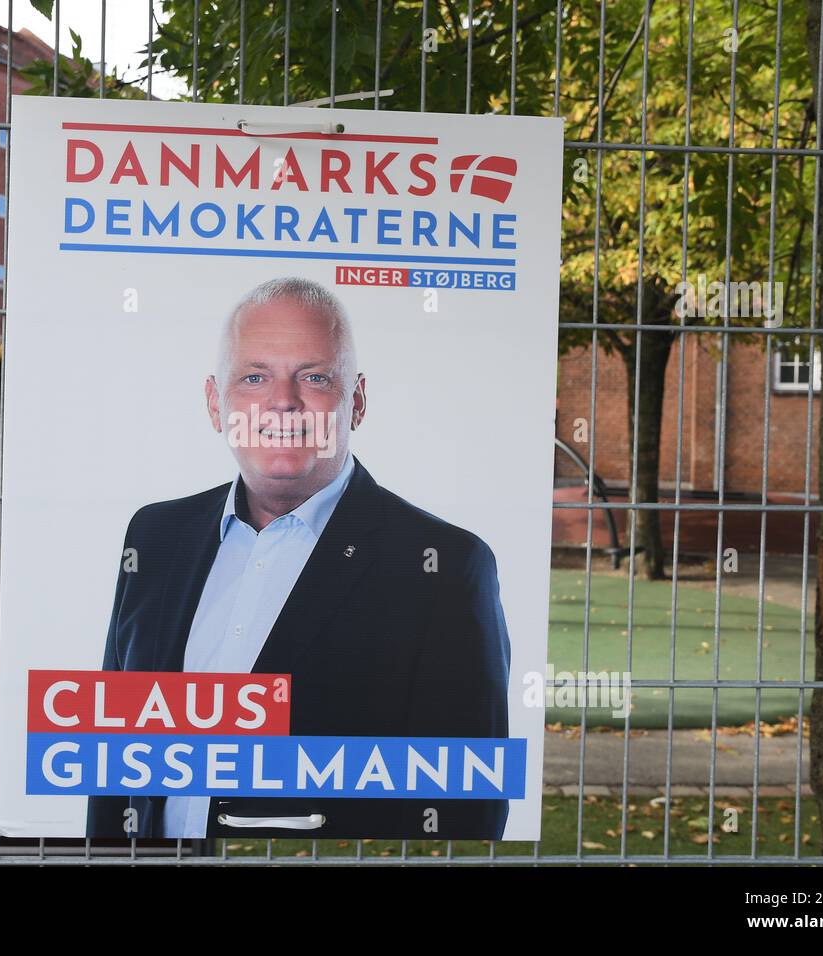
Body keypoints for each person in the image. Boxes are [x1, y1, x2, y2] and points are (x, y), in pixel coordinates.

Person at [86, 277, 511, 840]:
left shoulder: (443, 565)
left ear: (355, 401)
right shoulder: (155, 536)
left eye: (313, 377)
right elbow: (115, 754)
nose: (282, 401)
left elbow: (464, 805)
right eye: (254, 377)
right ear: (217, 403)